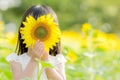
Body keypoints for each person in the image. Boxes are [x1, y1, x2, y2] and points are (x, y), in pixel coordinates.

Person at [6, 5, 66, 80]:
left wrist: (46, 60)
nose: (39, 38)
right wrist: (33, 59)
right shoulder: (17, 60)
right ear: (22, 32)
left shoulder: (57, 60)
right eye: (36, 32)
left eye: (44, 33)